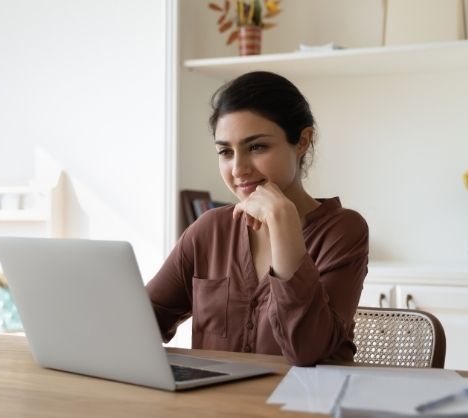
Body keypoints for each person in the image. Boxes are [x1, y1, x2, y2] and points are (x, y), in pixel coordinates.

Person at [146, 71, 369, 366]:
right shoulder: (209, 230)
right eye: (225, 152)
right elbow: (141, 321)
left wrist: (283, 223)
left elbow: (307, 351)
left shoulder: (343, 231)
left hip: (303, 408)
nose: (238, 169)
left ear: (302, 141)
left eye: (256, 147)